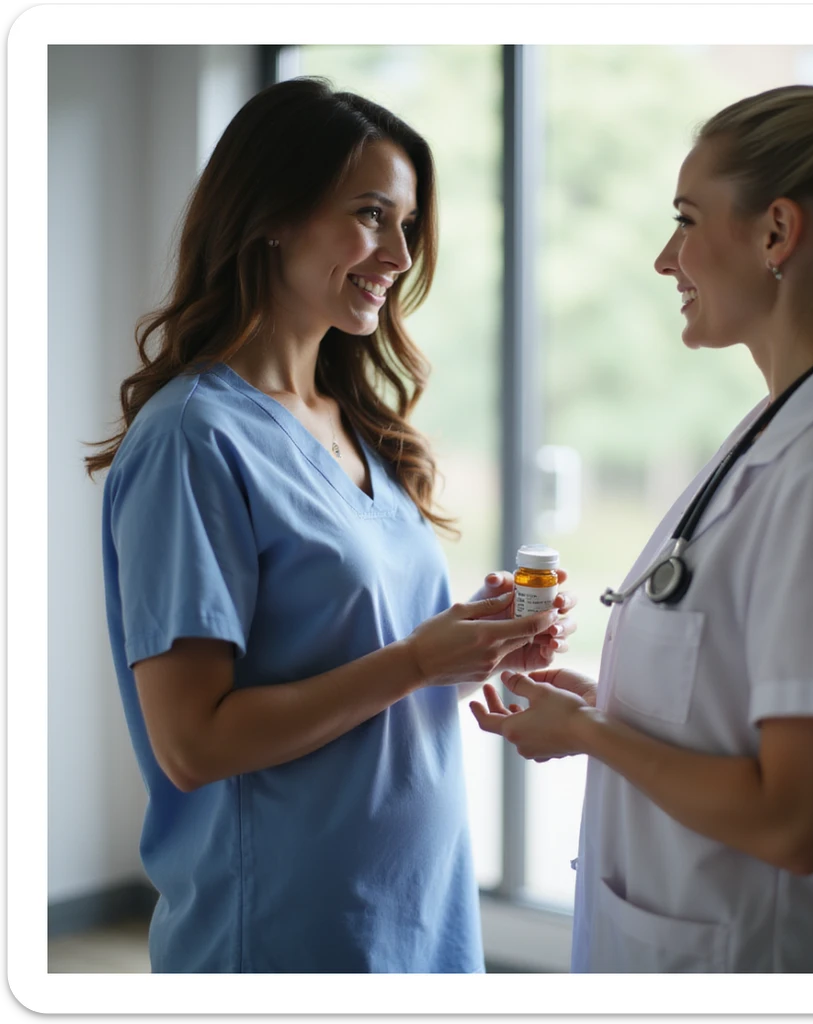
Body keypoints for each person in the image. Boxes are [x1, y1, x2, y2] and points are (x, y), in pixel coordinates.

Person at [471, 72, 813, 973]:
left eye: (687, 221)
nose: (667, 260)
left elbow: (794, 820)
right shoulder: (787, 430)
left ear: (777, 232)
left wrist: (589, 736)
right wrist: (606, 703)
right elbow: (743, 705)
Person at [87, 78, 576, 974]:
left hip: (417, 911)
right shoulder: (195, 438)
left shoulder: (353, 422)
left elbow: (358, 646)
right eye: (370, 215)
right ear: (274, 214)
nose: (398, 251)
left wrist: (473, 637)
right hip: (289, 932)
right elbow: (193, 744)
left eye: (408, 224)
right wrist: (422, 658)